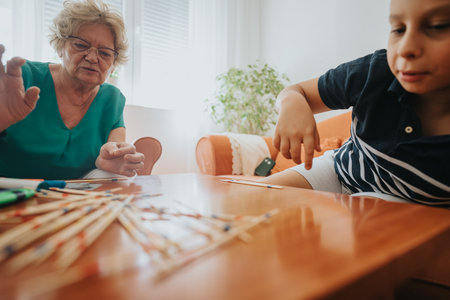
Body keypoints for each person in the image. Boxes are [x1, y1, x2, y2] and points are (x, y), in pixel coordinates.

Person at [262, 0, 450, 207]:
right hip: (338, 171)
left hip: (412, 207)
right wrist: (292, 105)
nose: (406, 48)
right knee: (256, 200)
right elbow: (296, 91)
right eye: (398, 29)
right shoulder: (374, 72)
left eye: (438, 26)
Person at [0, 0, 144, 180]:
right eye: (81, 45)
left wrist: (111, 163)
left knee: (122, 180)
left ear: (113, 64)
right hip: (10, 193)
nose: (92, 57)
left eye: (105, 53)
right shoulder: (23, 78)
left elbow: (114, 151)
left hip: (72, 199)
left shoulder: (112, 99)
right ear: (60, 47)